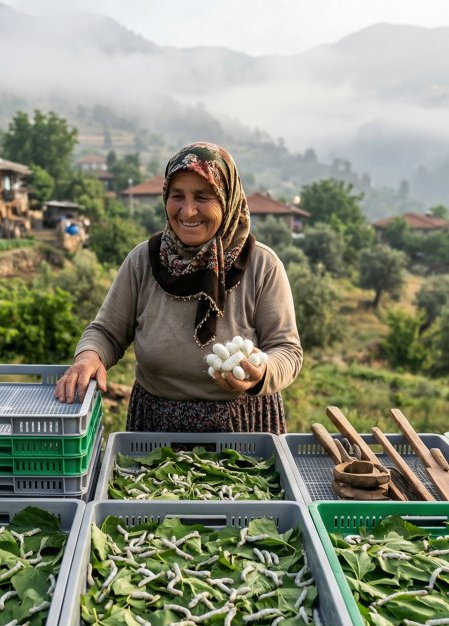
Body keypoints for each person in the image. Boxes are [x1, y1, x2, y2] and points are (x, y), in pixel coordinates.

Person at [54, 142, 302, 433]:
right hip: (157, 424)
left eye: (202, 196)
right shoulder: (144, 261)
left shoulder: (261, 265)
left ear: (227, 198)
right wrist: (89, 356)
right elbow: (106, 332)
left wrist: (261, 374)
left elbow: (286, 350)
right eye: (177, 196)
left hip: (242, 425)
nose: (188, 211)